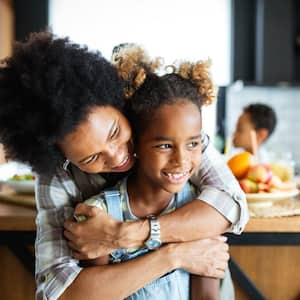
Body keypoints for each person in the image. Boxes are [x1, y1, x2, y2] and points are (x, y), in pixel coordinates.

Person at [0, 31, 248, 300]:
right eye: (91, 158)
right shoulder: (60, 180)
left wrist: (126, 235)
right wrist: (173, 256)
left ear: (118, 104)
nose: (118, 156)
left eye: (115, 132)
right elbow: (60, 293)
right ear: (62, 158)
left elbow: (232, 205)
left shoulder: (167, 129)